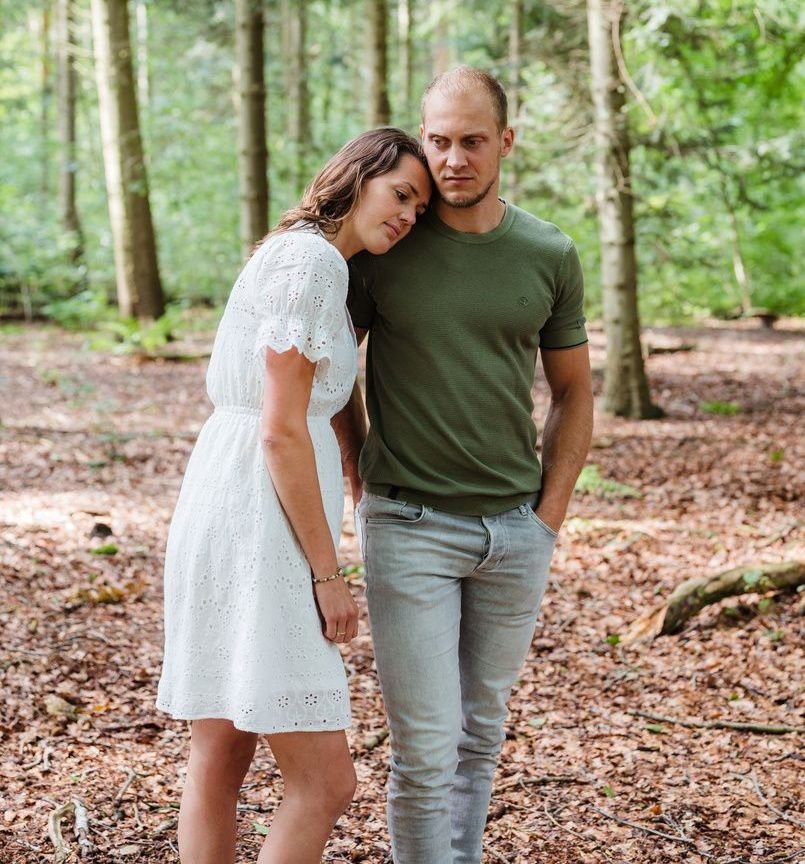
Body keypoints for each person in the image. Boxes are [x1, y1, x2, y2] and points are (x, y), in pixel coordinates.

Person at [336, 68, 593, 864]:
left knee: (479, 736)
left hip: (515, 531)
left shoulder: (547, 252)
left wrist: (547, 518)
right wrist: (356, 472)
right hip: (409, 524)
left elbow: (575, 392)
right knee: (423, 748)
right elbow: (333, 367)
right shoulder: (387, 243)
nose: (452, 159)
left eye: (471, 141)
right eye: (437, 141)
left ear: (505, 143)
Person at [155, 127, 430, 864]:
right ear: (357, 176)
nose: (406, 215)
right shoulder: (311, 262)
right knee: (325, 781)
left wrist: (352, 470)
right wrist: (327, 574)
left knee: (219, 754)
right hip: (257, 514)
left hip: (227, 492)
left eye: (418, 208)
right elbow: (280, 430)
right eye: (399, 193)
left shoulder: (303, 254)